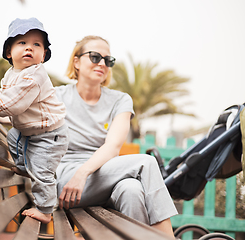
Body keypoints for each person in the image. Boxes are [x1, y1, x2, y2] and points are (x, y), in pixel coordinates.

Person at [55, 35, 178, 238]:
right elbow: (16, 112)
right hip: (69, 183)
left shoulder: (120, 100)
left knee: (131, 190)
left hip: (97, 176)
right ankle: (167, 238)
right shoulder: (57, 97)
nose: (102, 63)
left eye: (108, 60)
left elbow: (112, 147)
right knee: (146, 163)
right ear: (76, 61)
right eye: (95, 57)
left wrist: (83, 172)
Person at [0, 18, 69, 224]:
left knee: (42, 171)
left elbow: (14, 103)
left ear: (43, 55)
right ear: (9, 52)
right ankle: (22, 166)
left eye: (37, 44)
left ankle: (46, 210)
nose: (29, 48)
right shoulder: (11, 74)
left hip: (50, 135)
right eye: (22, 43)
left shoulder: (35, 75)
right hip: (28, 131)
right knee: (12, 136)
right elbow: (8, 106)